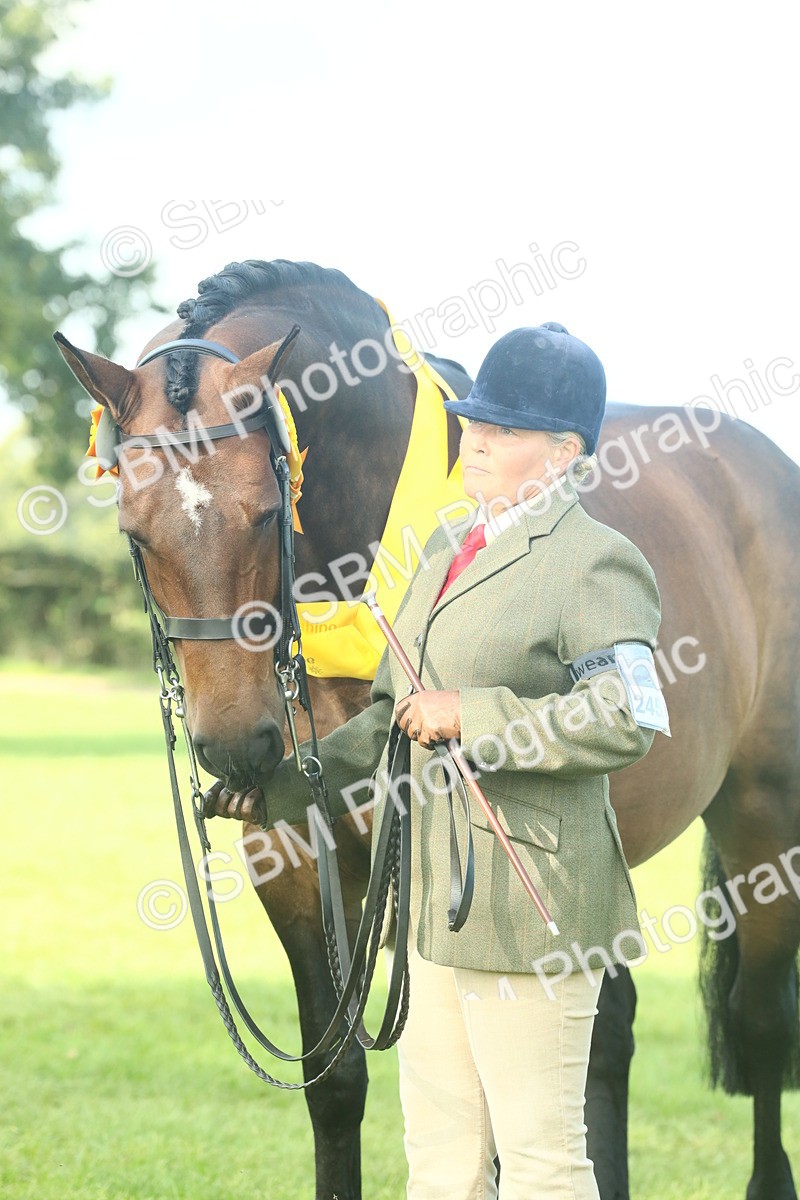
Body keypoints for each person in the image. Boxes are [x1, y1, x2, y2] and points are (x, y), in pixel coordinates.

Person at [222, 323, 669, 1198]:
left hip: (534, 906)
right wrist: (282, 789)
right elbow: (391, 716)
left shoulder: (597, 563)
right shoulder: (443, 547)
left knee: (541, 1161)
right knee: (441, 1155)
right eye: (474, 423)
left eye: (504, 429)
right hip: (433, 905)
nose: (477, 441)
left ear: (566, 453)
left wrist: (473, 714)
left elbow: (628, 717)